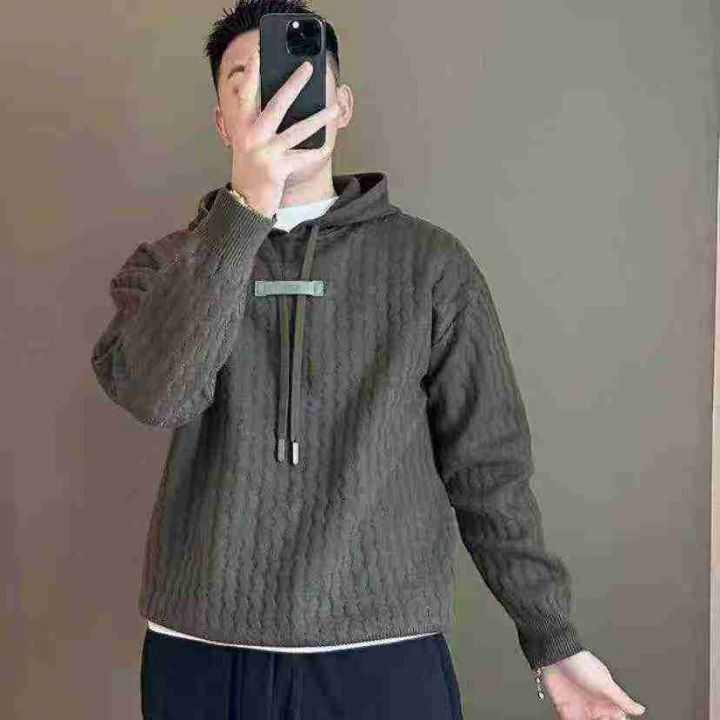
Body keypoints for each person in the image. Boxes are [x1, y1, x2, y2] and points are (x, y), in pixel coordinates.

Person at [89, 1, 647, 718]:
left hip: (385, 657)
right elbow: (158, 396)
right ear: (223, 122)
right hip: (200, 655)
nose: (277, 101)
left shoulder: (432, 267)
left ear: (342, 106)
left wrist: (553, 640)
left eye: (299, 80)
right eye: (247, 84)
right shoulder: (164, 266)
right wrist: (245, 212)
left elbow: (489, 471)